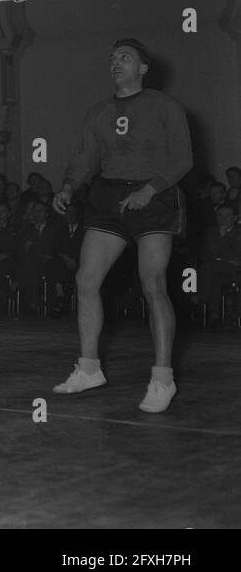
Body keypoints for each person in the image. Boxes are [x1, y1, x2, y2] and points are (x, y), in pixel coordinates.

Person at [51, 39, 192, 413]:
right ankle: (89, 368)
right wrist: (68, 187)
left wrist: (151, 189)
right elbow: (85, 158)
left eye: (125, 57)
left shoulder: (165, 106)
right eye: (112, 58)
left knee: (153, 282)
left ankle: (163, 379)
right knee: (86, 279)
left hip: (155, 197)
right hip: (109, 197)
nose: (116, 62)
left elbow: (183, 158)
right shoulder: (98, 112)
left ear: (143, 67)